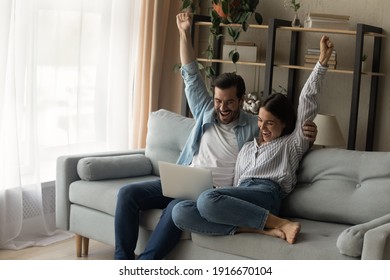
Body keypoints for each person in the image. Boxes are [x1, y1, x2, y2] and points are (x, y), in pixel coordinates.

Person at [113, 12, 318, 260]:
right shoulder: (204, 112)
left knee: (177, 209)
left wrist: (309, 132)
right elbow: (190, 74)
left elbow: (280, 129)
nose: (222, 108)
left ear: (241, 101)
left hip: (216, 192)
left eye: (230, 102)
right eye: (218, 101)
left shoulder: (255, 125)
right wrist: (183, 33)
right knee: (127, 194)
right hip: (183, 179)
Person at [172, 34, 335, 245]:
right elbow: (237, 182)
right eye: (260, 121)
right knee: (180, 211)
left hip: (267, 194)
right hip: (243, 193)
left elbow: (307, 99)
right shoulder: (247, 148)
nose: (263, 128)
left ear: (284, 123)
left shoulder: (291, 144)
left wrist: (321, 63)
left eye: (270, 122)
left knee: (206, 199)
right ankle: (258, 229)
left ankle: (279, 222)